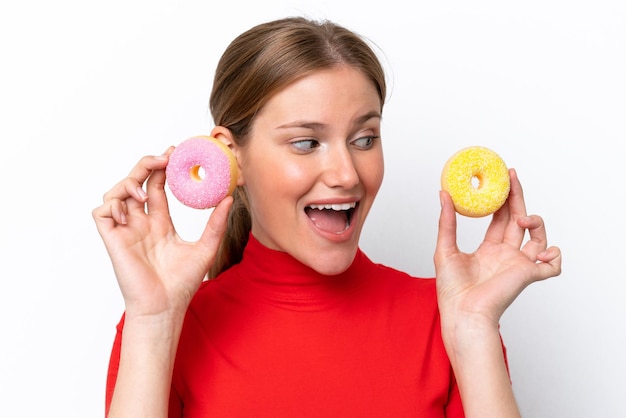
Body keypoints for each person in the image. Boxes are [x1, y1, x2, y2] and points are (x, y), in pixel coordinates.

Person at [93, 16, 562, 418]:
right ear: (230, 156)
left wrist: (475, 328)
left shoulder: (449, 320)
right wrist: (153, 321)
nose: (345, 174)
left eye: (364, 139)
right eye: (306, 142)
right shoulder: (167, 326)